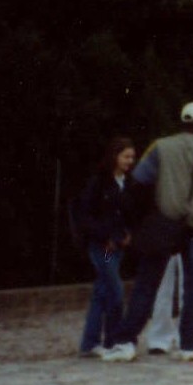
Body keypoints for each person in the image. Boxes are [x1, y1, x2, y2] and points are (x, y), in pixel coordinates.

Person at [101, 102, 193, 363]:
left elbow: (140, 179)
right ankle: (188, 346)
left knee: (146, 285)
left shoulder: (160, 147)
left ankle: (126, 342)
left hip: (165, 224)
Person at [77, 136, 134, 356]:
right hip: (103, 246)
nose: (130, 161)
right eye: (126, 156)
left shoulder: (127, 183)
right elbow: (87, 216)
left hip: (115, 249)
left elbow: (128, 214)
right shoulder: (99, 182)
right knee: (115, 290)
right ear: (115, 156)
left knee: (102, 290)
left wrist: (128, 233)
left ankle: (91, 342)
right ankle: (113, 339)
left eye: (132, 157)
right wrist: (105, 236)